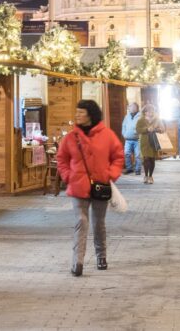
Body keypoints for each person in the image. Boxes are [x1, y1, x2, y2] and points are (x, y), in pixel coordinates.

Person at [56, 99, 123, 276]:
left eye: (81, 112)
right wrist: (68, 176)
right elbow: (61, 159)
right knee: (81, 221)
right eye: (76, 111)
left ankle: (101, 255)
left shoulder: (107, 135)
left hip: (100, 185)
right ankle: (77, 261)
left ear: (90, 115)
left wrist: (110, 174)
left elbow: (118, 156)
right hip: (78, 186)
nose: (77, 115)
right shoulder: (71, 137)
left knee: (98, 223)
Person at [136, 104, 167, 184]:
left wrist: (157, 129)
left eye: (152, 111)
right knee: (146, 158)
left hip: (153, 141)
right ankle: (146, 175)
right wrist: (147, 129)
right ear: (145, 112)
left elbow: (163, 129)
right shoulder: (141, 120)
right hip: (144, 142)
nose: (151, 113)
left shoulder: (157, 119)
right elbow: (138, 130)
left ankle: (151, 176)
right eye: (149, 111)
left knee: (152, 159)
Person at [121, 103, 142, 175]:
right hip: (128, 139)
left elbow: (142, 127)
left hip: (137, 139)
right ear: (129, 108)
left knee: (137, 155)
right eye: (131, 107)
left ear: (137, 108)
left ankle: (137, 169)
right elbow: (123, 126)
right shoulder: (127, 117)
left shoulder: (140, 117)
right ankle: (129, 168)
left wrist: (138, 132)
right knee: (126, 154)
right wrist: (124, 134)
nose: (132, 108)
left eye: (134, 107)